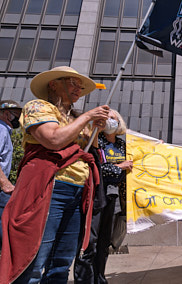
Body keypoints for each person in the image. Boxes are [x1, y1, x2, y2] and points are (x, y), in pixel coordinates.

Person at [0, 66, 110, 283]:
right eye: (73, 83)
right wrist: (88, 116)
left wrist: (95, 128)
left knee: (62, 260)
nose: (78, 89)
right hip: (49, 187)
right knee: (34, 256)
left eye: (80, 86)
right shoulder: (38, 107)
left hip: (79, 190)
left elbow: (90, 151)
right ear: (54, 84)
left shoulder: (76, 117)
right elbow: (52, 139)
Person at [74, 109, 132, 283]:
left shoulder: (122, 144)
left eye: (113, 119)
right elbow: (98, 167)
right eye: (107, 118)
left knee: (104, 243)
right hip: (96, 195)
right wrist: (119, 167)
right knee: (90, 240)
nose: (110, 121)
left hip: (114, 198)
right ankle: (85, 279)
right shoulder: (95, 141)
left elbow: (135, 162)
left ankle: (100, 277)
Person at [0, 100, 22, 251]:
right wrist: (4, 183)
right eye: (17, 114)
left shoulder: (5, 131)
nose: (18, 118)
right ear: (7, 113)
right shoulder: (1, 130)